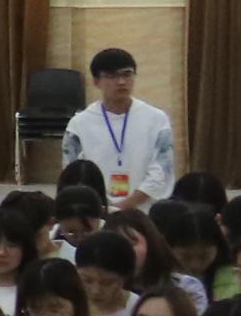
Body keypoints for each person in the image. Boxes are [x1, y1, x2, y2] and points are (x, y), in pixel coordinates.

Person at [61, 46, 175, 208]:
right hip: (98, 210)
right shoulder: (79, 124)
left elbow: (163, 169)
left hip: (145, 210)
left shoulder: (156, 119)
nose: (121, 82)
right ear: (96, 81)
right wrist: (103, 207)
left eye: (127, 74)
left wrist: (126, 205)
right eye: (112, 76)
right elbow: (73, 172)